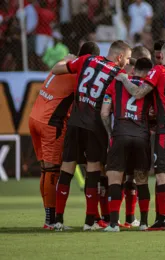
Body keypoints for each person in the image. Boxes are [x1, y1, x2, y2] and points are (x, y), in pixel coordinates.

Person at [52, 40, 132, 231]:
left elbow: (56, 69)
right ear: (119, 57)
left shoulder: (87, 59)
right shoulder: (118, 73)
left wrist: (69, 60)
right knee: (93, 170)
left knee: (67, 169)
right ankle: (89, 222)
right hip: (95, 126)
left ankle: (58, 221)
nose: (128, 63)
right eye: (128, 59)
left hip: (75, 122)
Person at [116, 41, 165, 230]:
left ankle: (162, 220)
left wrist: (125, 79)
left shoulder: (159, 71)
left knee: (162, 173)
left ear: (161, 56)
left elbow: (139, 93)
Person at [29, 41, 100, 230]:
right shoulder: (79, 73)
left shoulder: (63, 64)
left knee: (46, 170)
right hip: (51, 122)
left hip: (35, 117)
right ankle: (51, 221)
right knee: (52, 171)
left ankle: (49, 219)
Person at [100, 57, 154, 232]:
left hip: (120, 133)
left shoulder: (115, 84)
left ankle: (114, 224)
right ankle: (144, 223)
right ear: (148, 72)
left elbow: (104, 113)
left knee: (115, 179)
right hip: (141, 135)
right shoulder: (149, 88)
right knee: (141, 180)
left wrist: (110, 133)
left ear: (134, 69)